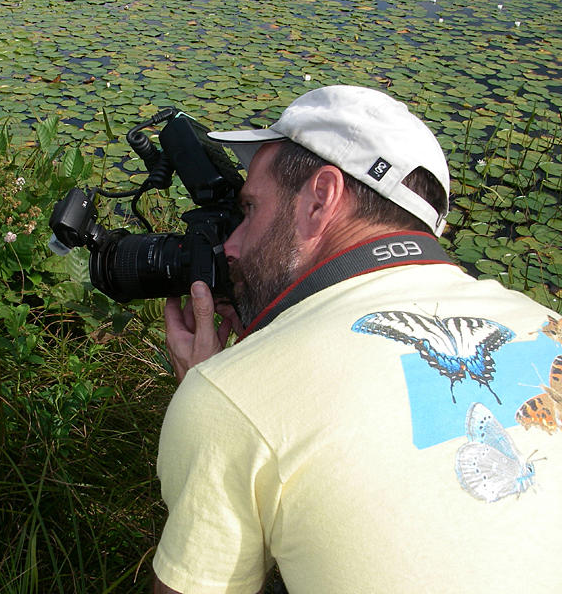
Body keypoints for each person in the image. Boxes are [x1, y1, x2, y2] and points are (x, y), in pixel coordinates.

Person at [153, 85, 562, 593]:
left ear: (321, 199)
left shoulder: (234, 394)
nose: (231, 244)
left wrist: (216, 401)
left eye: (251, 209)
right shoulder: (547, 321)